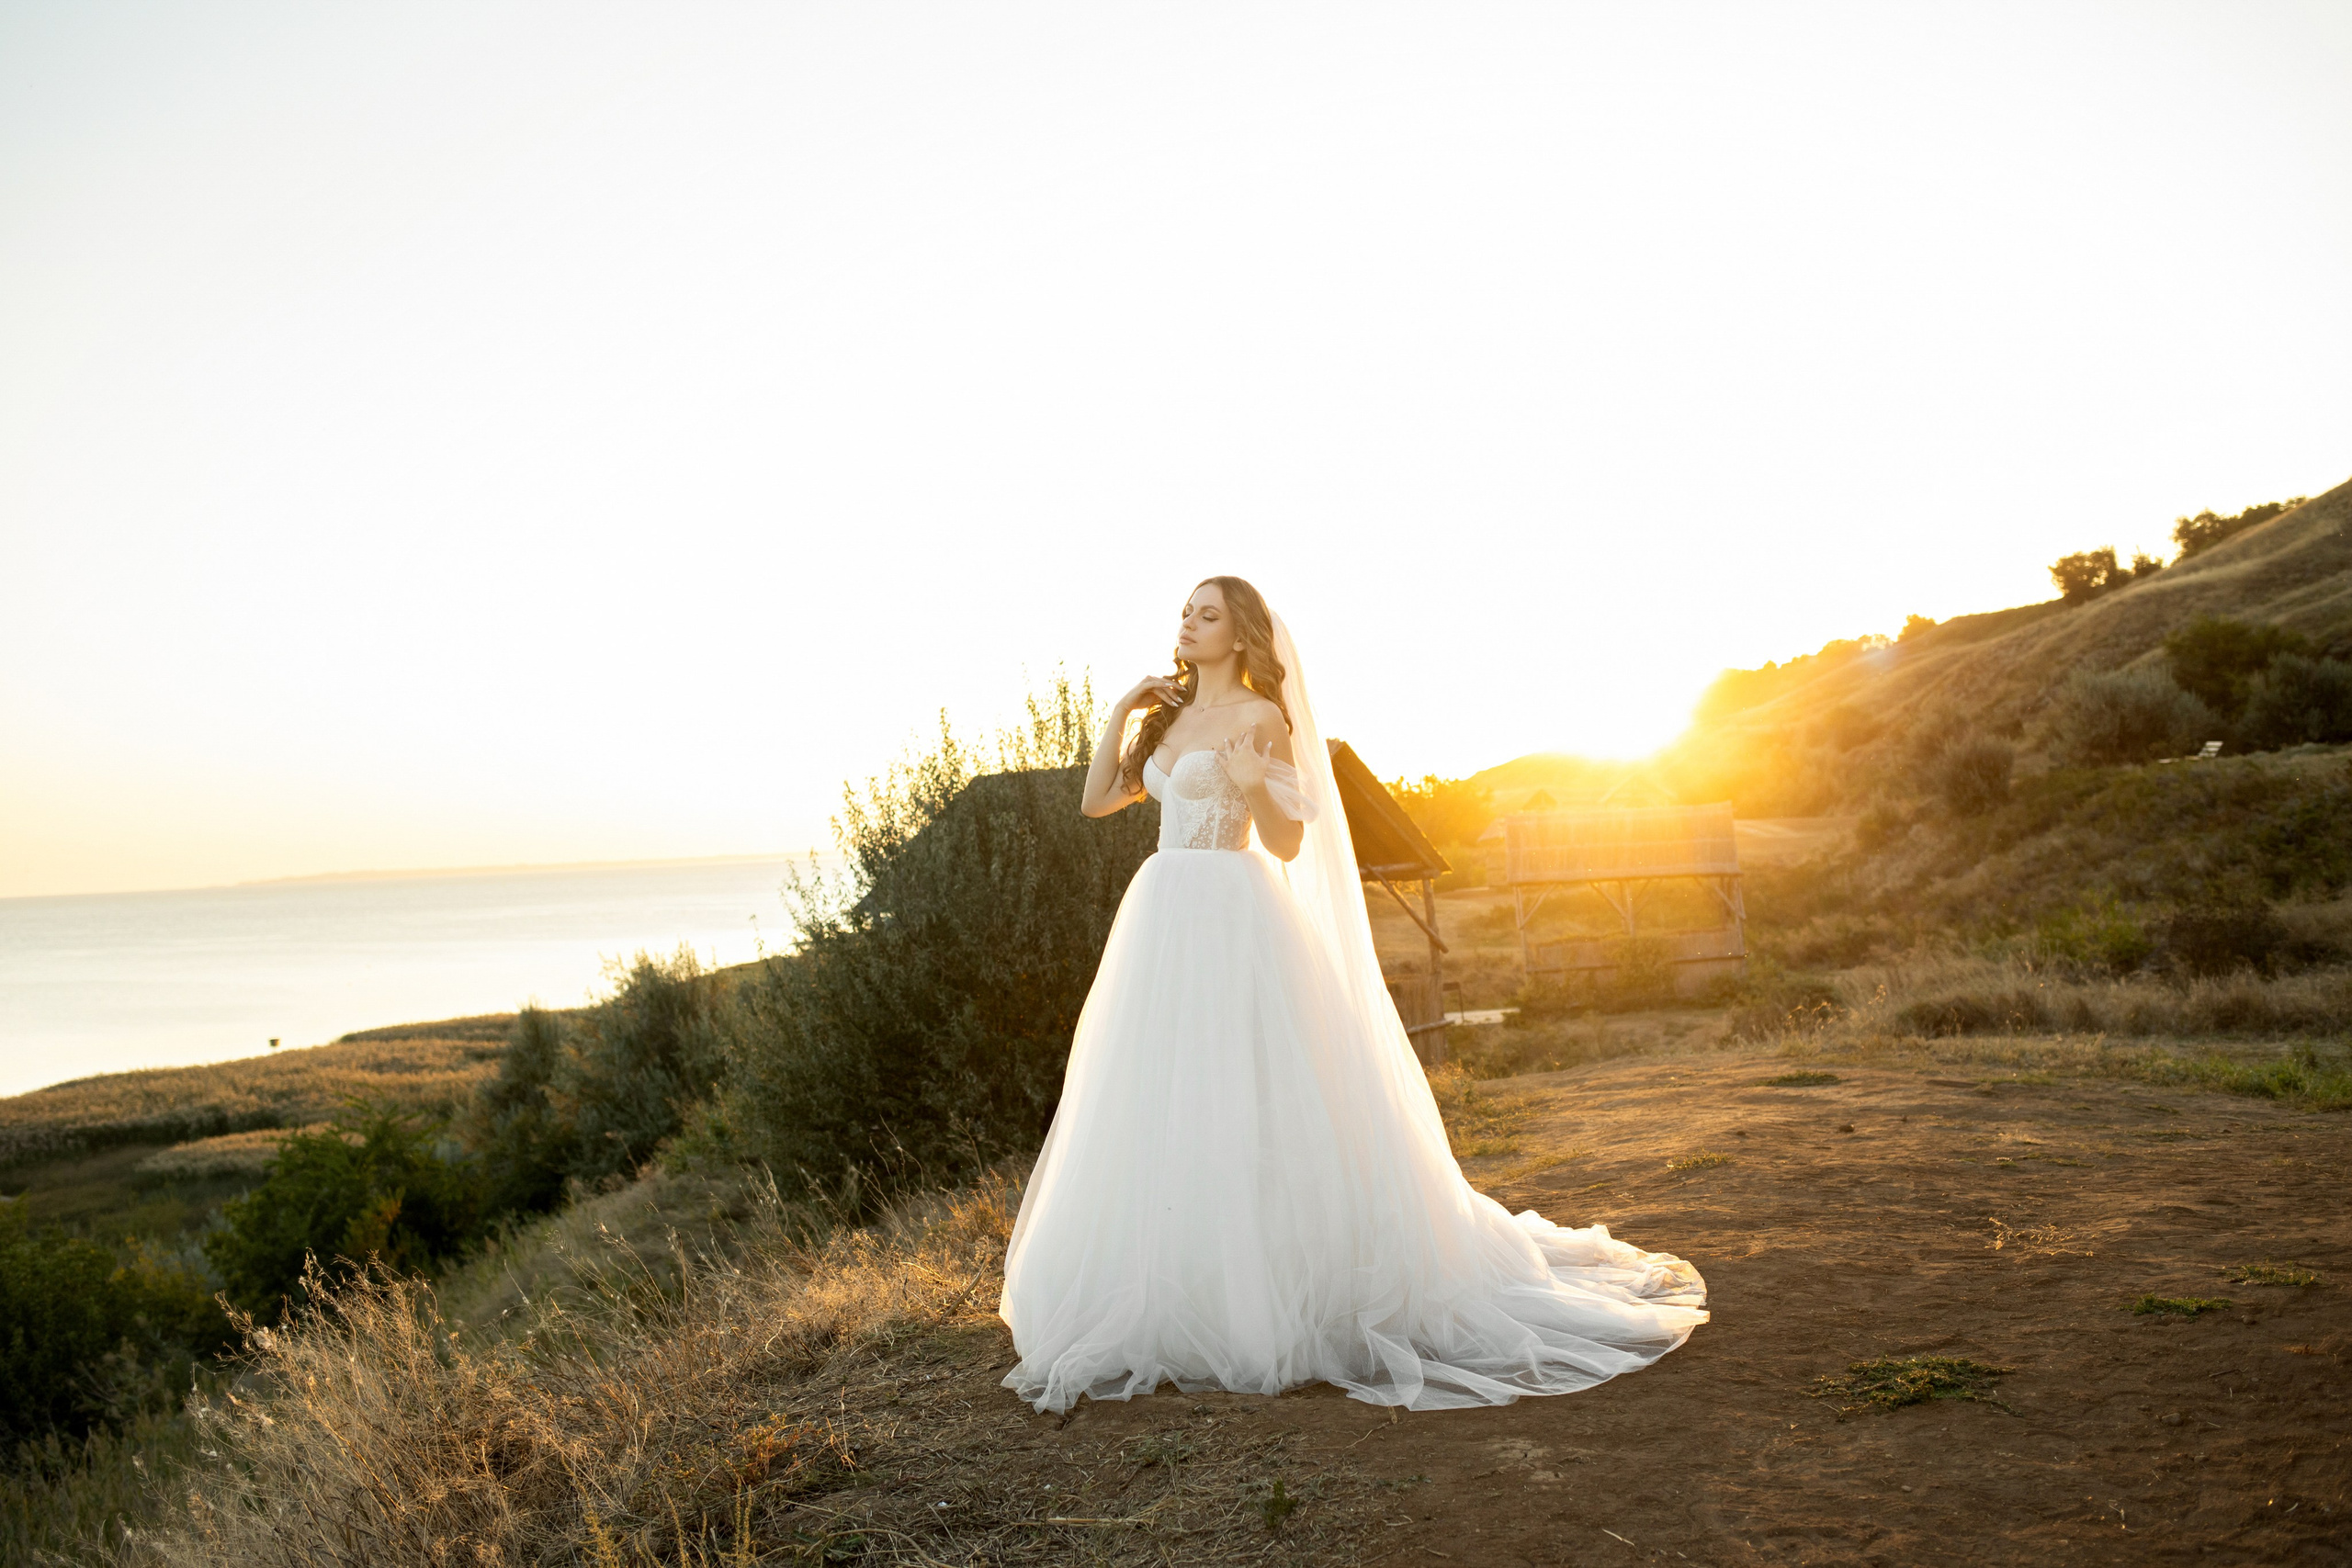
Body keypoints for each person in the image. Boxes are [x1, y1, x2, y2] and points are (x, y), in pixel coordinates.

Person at [998, 576, 1707, 1413]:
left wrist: (1250, 780)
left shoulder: (1262, 718)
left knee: (1246, 1092)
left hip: (1231, 913)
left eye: (1207, 614)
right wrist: (1123, 707)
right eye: (1185, 611)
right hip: (1162, 914)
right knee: (1161, 1090)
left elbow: (1288, 843)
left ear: (1241, 634)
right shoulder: (1169, 716)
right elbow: (1096, 800)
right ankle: (1173, 1274)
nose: (1187, 623)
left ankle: (1262, 1290)